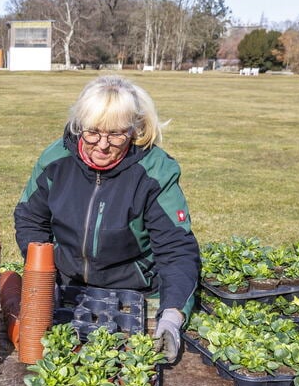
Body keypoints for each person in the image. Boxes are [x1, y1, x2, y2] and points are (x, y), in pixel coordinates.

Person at [14, 75, 200, 362]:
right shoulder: (55, 161)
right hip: (67, 285)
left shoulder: (155, 172)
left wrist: (172, 317)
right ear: (79, 125)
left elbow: (176, 249)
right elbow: (30, 219)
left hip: (133, 292)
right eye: (93, 132)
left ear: (135, 129)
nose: (102, 145)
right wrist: (43, 277)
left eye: (115, 134)